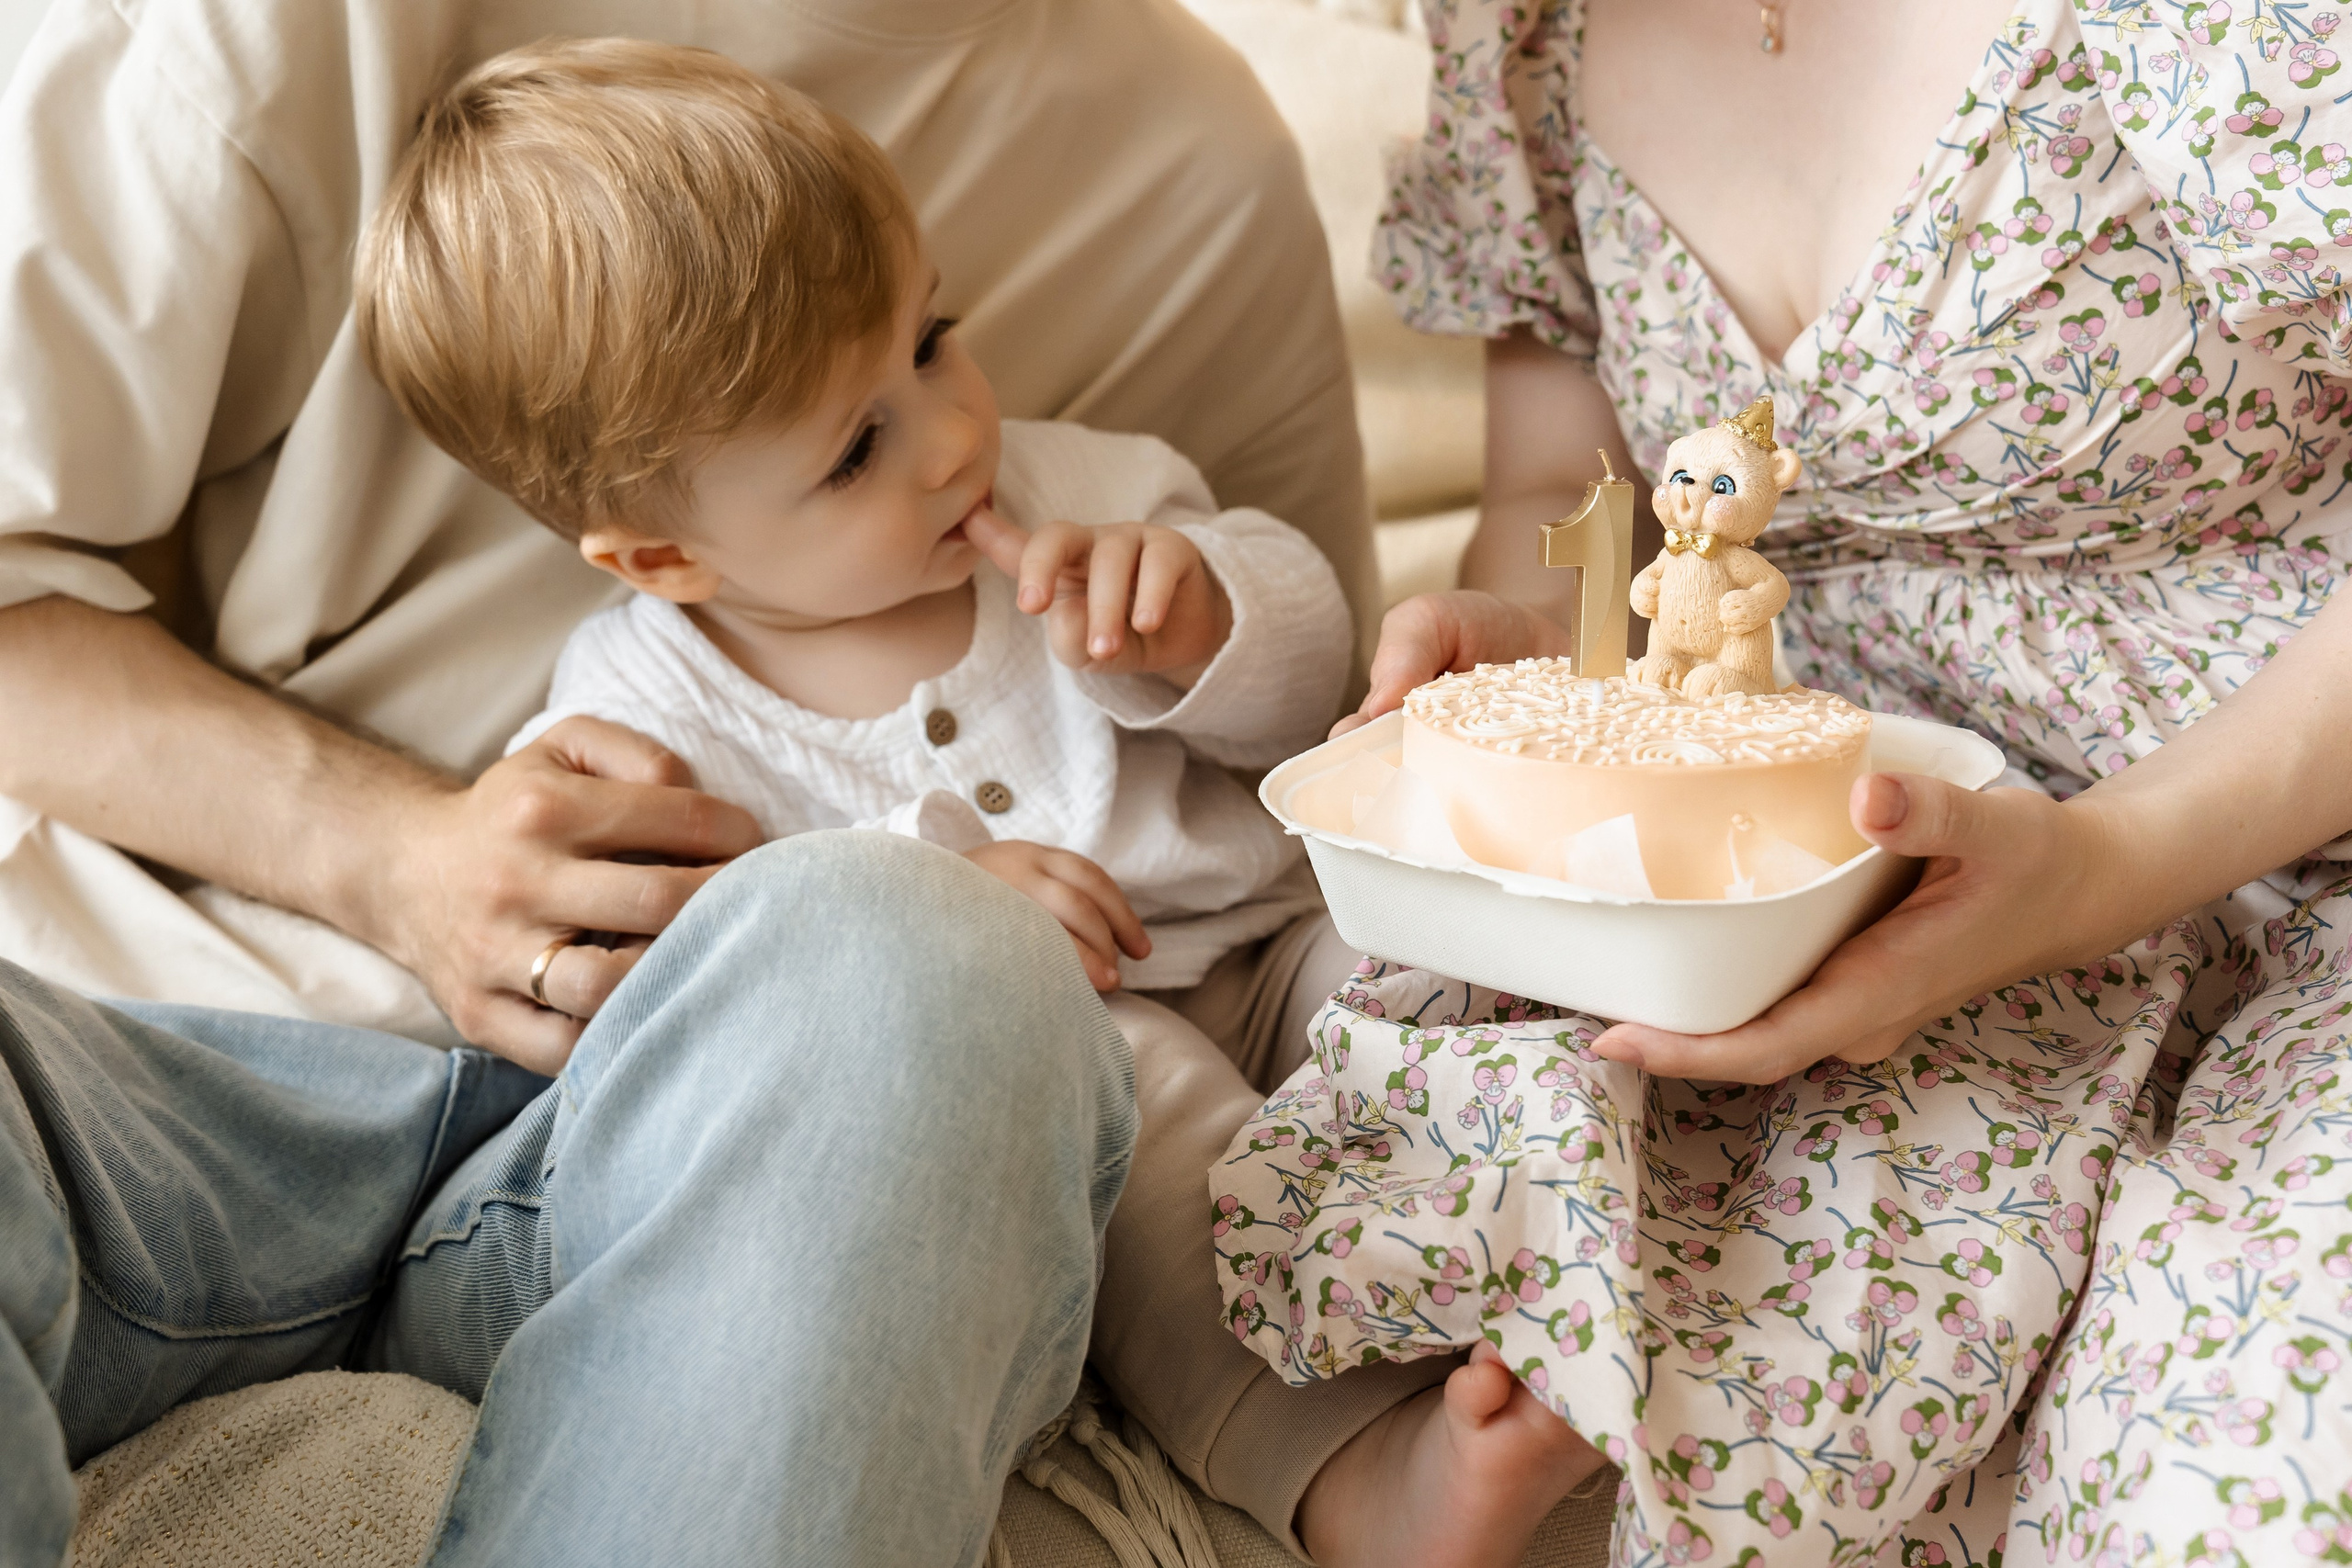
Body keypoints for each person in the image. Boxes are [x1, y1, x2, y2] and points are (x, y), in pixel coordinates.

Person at [0, 3, 1589, 1564]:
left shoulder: (1088, 463)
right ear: (666, 559)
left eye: (936, 340)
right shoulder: (638, 702)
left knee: (1462, 970)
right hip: (1081, 1043)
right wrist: (933, 888)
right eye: (852, 452)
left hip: (1261, 933)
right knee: (1158, 1156)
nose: (951, 437)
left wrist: (1200, 618)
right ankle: (1347, 1477)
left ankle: (1573, 1263)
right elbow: (719, 977)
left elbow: (1322, 700)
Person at [1214, 1, 2352, 1564]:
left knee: (2243, 1485)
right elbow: (1574, 492)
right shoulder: (1521, 33)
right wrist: (1545, 658)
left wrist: (2095, 868)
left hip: (2286, 844)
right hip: (1800, 890)